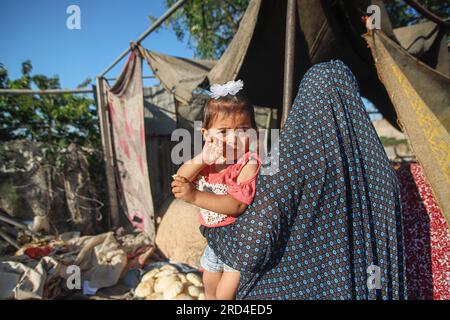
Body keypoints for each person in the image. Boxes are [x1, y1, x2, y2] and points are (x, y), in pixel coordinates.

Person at [201, 60, 406, 299]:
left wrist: (210, 229)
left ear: (307, 103)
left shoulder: (289, 169)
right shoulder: (381, 174)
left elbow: (250, 250)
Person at [171, 80, 262, 300]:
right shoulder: (209, 160)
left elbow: (237, 204)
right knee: (209, 282)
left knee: (225, 294)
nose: (233, 138)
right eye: (222, 131)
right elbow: (182, 176)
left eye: (242, 130)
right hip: (214, 239)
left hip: (238, 241)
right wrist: (201, 159)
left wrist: (194, 195)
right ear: (206, 134)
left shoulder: (248, 162)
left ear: (254, 133)